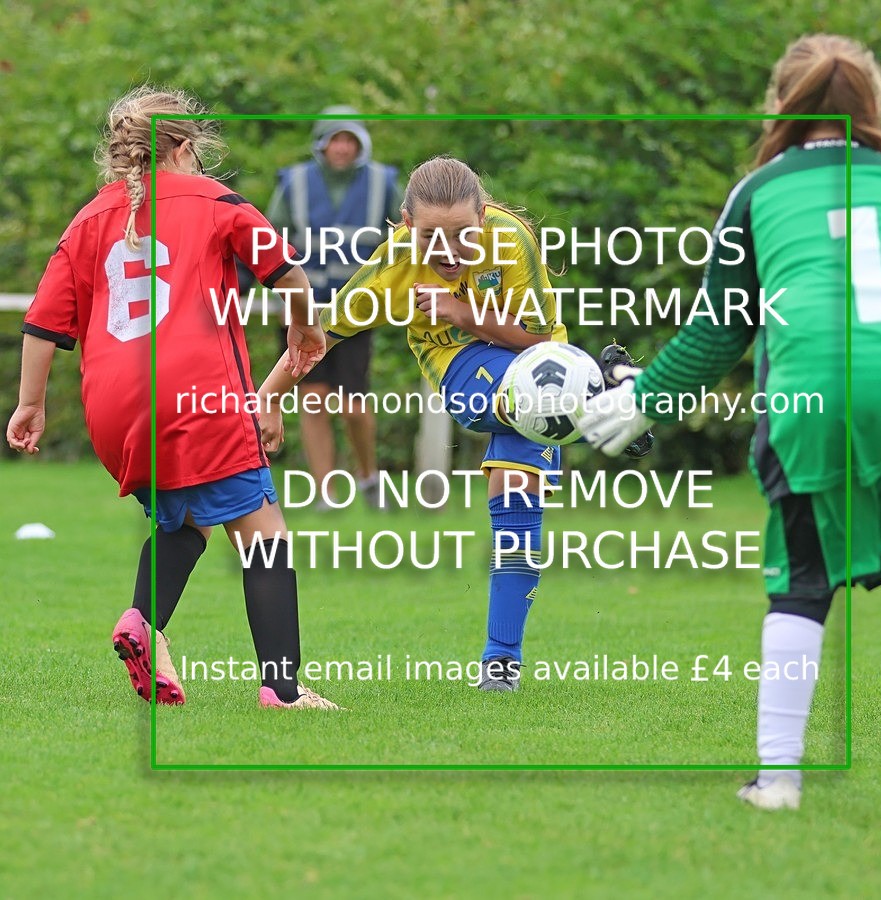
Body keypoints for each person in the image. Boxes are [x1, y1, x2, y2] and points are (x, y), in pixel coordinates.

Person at [579, 34, 881, 805]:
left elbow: (718, 331)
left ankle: (779, 780)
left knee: (803, 584)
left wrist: (645, 399)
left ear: (778, 104)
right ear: (874, 107)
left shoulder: (759, 192)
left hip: (817, 385)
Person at [6, 86, 340, 710]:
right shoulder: (217, 200)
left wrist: (31, 404)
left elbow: (44, 324)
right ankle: (283, 690)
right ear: (184, 147)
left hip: (116, 405)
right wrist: (306, 326)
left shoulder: (88, 219)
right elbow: (286, 270)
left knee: (184, 518)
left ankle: (142, 625)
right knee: (264, 535)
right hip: (199, 391)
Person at [259, 155, 648, 690]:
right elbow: (316, 337)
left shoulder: (511, 242)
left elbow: (537, 339)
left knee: (517, 507)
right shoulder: (395, 263)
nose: (447, 252)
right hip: (460, 364)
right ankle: (602, 395)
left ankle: (500, 666)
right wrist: (269, 396)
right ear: (404, 224)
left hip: (535, 362)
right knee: (508, 404)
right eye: (430, 237)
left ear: (484, 217)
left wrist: (463, 312)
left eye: (463, 235)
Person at [266, 107, 401, 509]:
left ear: (360, 144)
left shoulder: (383, 183)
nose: (342, 148)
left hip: (356, 310)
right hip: (302, 309)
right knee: (313, 398)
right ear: (321, 145)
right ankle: (324, 490)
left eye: (350, 140)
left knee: (352, 404)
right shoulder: (294, 184)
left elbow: (405, 239)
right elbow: (270, 240)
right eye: (335, 139)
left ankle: (367, 475)